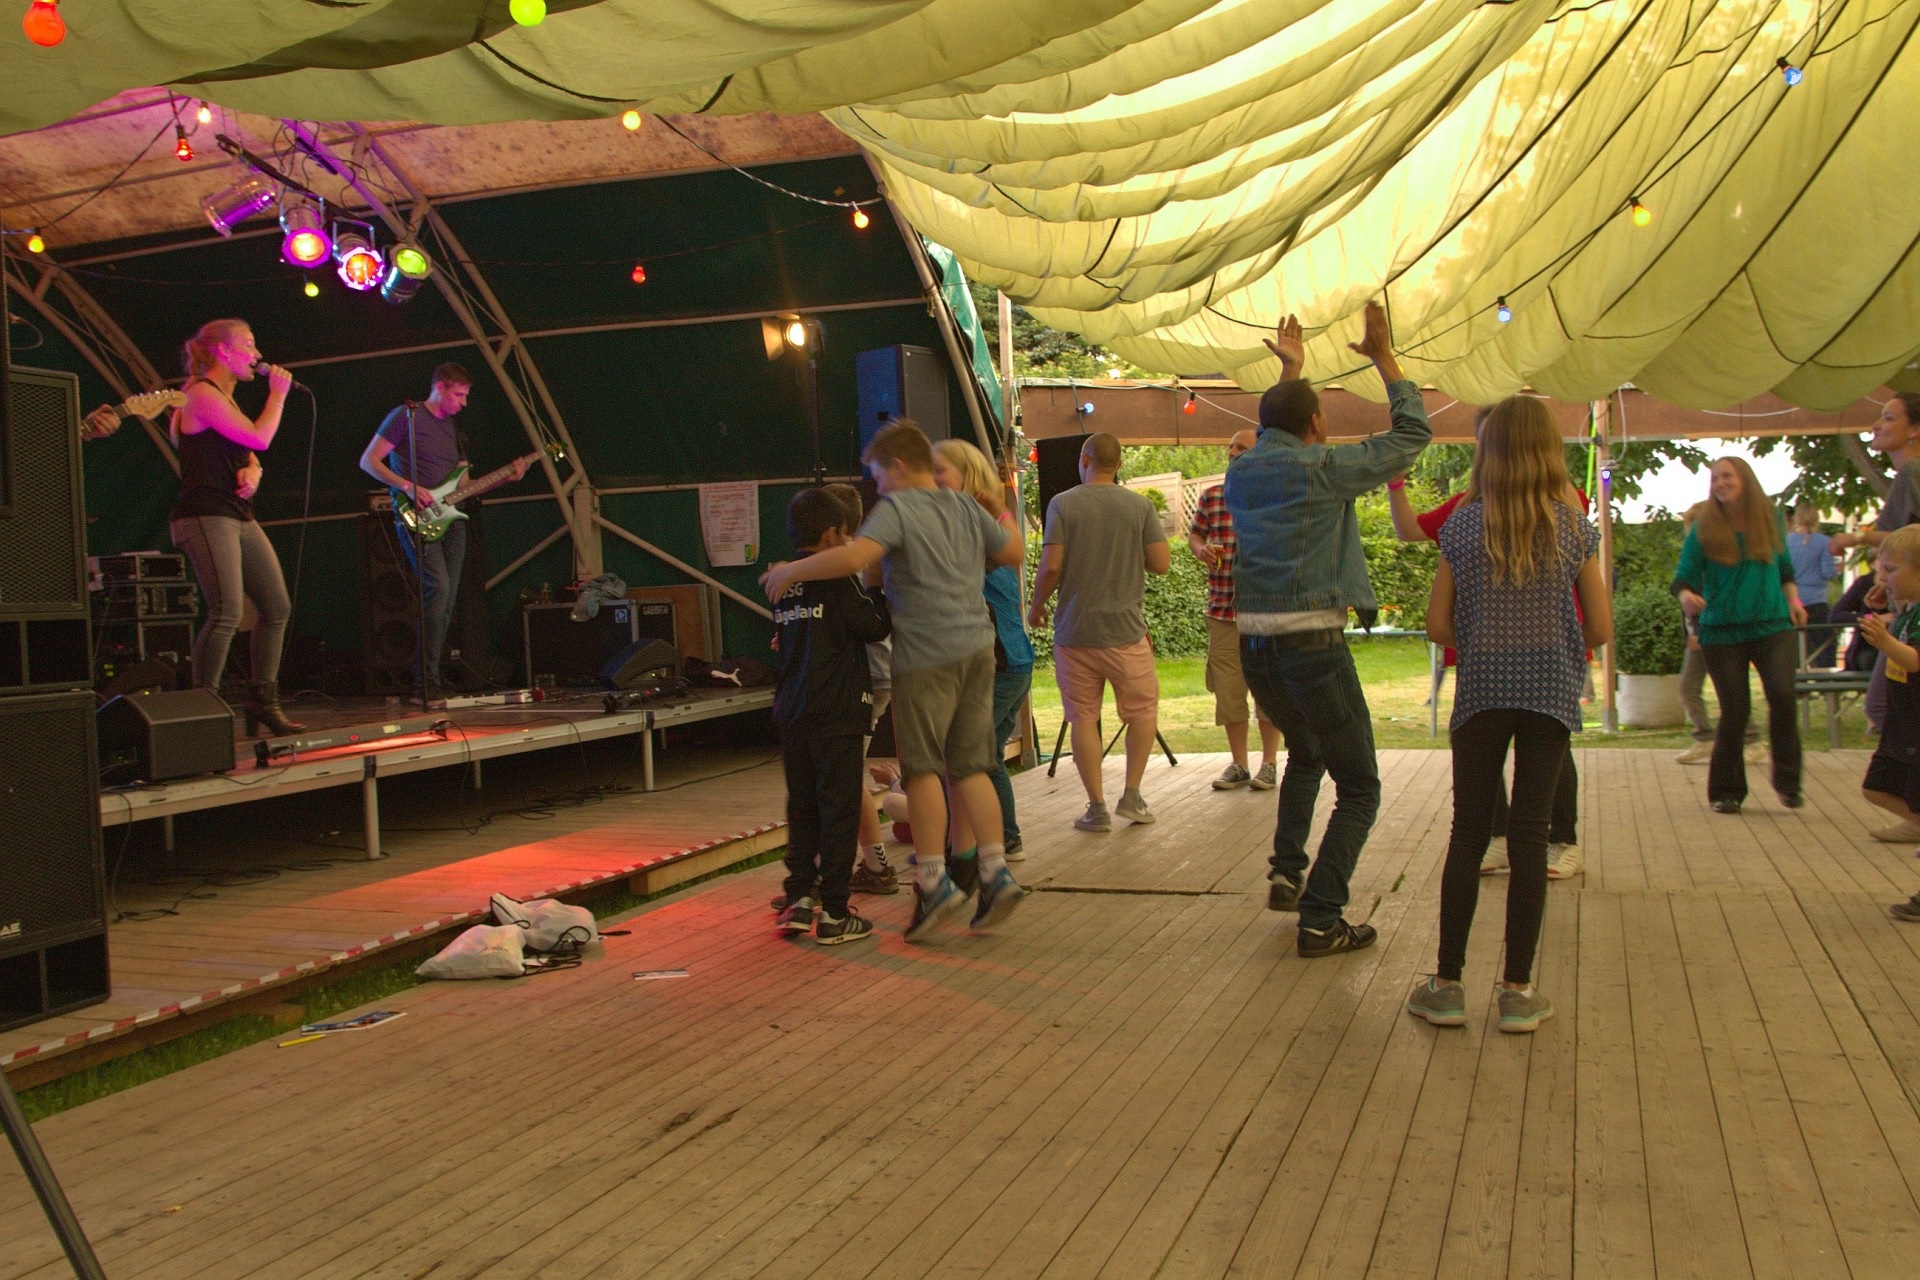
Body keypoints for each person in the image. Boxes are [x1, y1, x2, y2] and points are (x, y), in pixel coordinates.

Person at [762, 421, 1027, 942]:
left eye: (878, 475)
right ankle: (996, 872)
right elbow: (1014, 554)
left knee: (923, 769)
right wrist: (998, 507)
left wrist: (791, 572)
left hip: (925, 656)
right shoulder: (967, 507)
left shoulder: (899, 508)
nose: (877, 486)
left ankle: (934, 881)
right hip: (978, 649)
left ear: (899, 467)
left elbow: (856, 557)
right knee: (973, 766)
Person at [1226, 302, 1431, 957]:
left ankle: (1287, 871)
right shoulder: (1325, 468)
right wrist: (1384, 358)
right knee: (1361, 786)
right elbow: (1412, 434)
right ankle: (1320, 917)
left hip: (1255, 649)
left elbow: (1275, 433)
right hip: (1313, 646)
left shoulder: (1241, 470)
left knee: (1308, 751)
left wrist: (1291, 375)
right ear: (1317, 423)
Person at [1406, 395, 1610, 1033]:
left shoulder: (1463, 527)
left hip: (1481, 695)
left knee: (1470, 833)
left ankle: (1447, 985)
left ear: (1488, 452)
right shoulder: (1574, 528)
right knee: (1530, 836)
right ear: (1549, 451)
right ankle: (1518, 991)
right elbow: (1600, 627)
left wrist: (1482, 638)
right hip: (1549, 694)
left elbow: (1437, 624)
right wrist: (1556, 644)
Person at [1386, 408, 1588, 879]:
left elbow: (1437, 623)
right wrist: (1395, 483)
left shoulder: (1563, 504)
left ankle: (1563, 840)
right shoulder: (1465, 513)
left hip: (1543, 652)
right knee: (1493, 754)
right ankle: (1500, 837)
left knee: (1546, 756)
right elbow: (1411, 530)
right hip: (1492, 656)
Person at [1028, 431, 1171, 831]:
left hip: (1075, 634)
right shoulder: (1140, 506)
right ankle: (1132, 795)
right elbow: (1161, 563)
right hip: (1127, 634)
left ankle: (1097, 808)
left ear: (1084, 460)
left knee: (1083, 718)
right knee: (1142, 713)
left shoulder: (1062, 504)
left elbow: (1051, 567)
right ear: (1119, 464)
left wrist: (1036, 607)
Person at [166, 318, 303, 736]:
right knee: (226, 611)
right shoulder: (200, 395)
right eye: (249, 344)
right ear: (224, 352)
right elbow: (259, 438)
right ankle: (203, 710)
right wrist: (277, 396)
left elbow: (248, 451)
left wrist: (254, 471)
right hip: (206, 514)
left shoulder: (224, 398)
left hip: (235, 513)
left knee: (276, 607)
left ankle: (262, 701)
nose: (257, 355)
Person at [768, 489, 893, 944]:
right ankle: (836, 914)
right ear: (830, 535)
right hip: (837, 713)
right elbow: (874, 625)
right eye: (845, 535)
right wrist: (876, 587)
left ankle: (800, 897)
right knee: (839, 809)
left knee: (802, 807)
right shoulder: (839, 582)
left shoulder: (783, 583)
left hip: (793, 711)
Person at [359, 364, 528, 694]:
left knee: (446, 600)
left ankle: (429, 677)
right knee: (437, 590)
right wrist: (407, 486)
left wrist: (505, 478)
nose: (463, 403)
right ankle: (426, 681)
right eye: (458, 395)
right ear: (439, 388)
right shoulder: (406, 417)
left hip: (452, 521)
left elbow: (464, 487)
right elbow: (369, 461)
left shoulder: (455, 431)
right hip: (417, 516)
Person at [1673, 458, 1808, 814]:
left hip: (1772, 625)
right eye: (1715, 478)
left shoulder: (1770, 518)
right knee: (1735, 709)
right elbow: (1683, 577)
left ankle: (1788, 783)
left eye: (1727, 476)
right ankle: (1726, 790)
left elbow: (1785, 569)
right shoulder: (1704, 527)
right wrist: (1686, 596)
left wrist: (1794, 601)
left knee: (1782, 696)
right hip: (1722, 630)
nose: (1720, 483)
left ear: (1745, 479)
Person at [934, 440, 1035, 863]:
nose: (932, 478)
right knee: (984, 755)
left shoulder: (972, 530)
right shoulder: (988, 526)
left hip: (1000, 662)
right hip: (1014, 660)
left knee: (968, 758)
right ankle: (994, 840)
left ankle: (982, 844)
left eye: (940, 470)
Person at [1187, 429, 1280, 792]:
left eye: (1241, 447)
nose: (1232, 452)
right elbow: (1195, 535)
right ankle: (1239, 764)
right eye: (1230, 447)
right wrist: (1201, 550)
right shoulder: (1212, 496)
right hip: (1222, 611)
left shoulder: (1275, 497)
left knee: (1268, 688)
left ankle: (1269, 764)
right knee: (1228, 691)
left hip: (1265, 611)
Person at [821, 482, 901, 893]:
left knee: (843, 778)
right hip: (875, 675)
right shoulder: (863, 556)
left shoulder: (842, 564)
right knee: (843, 776)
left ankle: (871, 867)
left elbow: (854, 623)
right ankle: (871, 864)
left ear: (829, 528)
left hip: (862, 678)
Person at [1675, 501, 1764, 766]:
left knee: (1729, 690)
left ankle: (1752, 740)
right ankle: (1704, 737)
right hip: (1699, 636)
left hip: (1715, 635)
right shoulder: (1694, 560)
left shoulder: (1718, 561)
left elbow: (1712, 601)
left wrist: (1699, 632)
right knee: (1689, 688)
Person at [1788, 502, 1841, 666]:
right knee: (1825, 646)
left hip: (1792, 600)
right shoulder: (1824, 542)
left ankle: (1797, 676)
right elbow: (1828, 572)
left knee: (1794, 647)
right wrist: (1839, 568)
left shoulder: (1786, 542)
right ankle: (1825, 678)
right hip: (1816, 600)